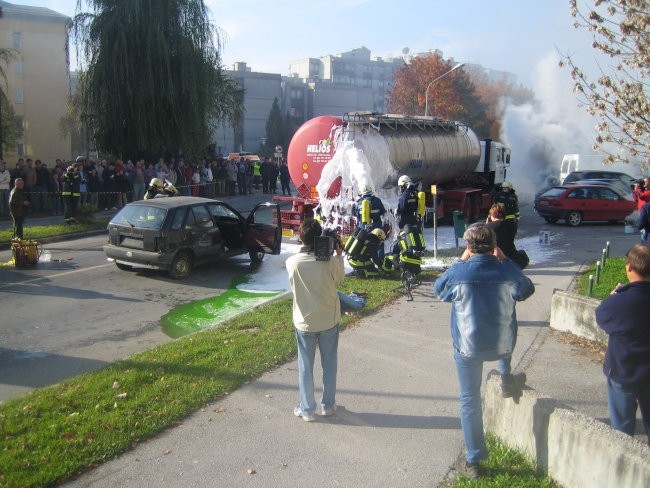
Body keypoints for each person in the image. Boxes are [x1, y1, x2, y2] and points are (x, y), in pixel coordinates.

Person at [434, 223, 535, 478]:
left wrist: (460, 261)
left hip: (468, 348)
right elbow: (527, 289)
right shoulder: (506, 272)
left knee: (469, 399)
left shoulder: (459, 274)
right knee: (505, 320)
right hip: (502, 345)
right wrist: (505, 260)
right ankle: (506, 378)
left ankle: (475, 460)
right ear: (493, 247)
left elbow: (439, 290)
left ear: (469, 247)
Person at [286, 219, 344, 422]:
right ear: (320, 238)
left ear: (300, 237)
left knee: (305, 366)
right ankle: (328, 405)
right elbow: (339, 280)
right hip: (328, 319)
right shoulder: (329, 262)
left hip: (304, 322)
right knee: (329, 364)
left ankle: (307, 409)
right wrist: (338, 255)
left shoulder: (292, 262)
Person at [595, 244, 650, 445]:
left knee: (622, 431)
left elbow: (601, 317)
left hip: (622, 371)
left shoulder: (620, 301)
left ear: (629, 268)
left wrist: (613, 297)